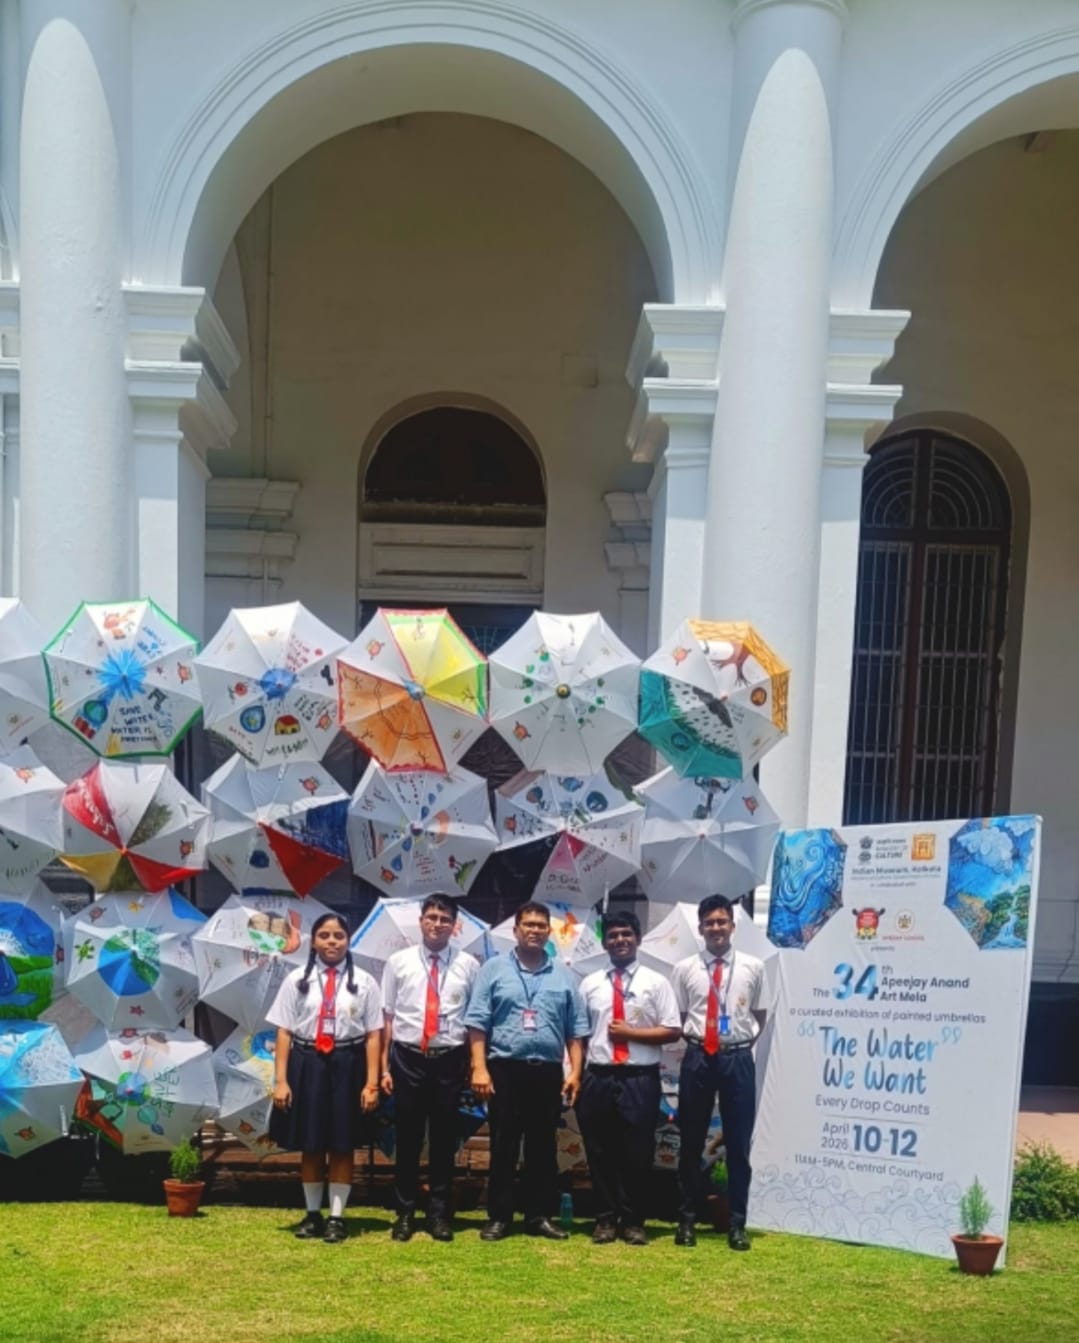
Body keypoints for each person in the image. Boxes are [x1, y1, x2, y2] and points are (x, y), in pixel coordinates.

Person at [464, 900, 589, 1241]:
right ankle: (499, 1217)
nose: (534, 930)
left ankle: (538, 1216)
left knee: (542, 1147)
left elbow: (576, 1029)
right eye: (528, 925)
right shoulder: (493, 969)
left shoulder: (563, 974)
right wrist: (479, 1068)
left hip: (547, 1072)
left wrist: (575, 1073)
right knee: (504, 1144)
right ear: (516, 930)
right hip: (504, 1068)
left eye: (540, 925)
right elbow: (477, 1022)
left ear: (549, 932)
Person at [268, 911, 382, 1244]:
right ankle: (312, 1214)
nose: (332, 942)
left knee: (343, 1144)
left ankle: (336, 1218)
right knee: (312, 1143)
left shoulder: (365, 981)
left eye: (338, 936)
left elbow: (374, 1034)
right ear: (313, 941)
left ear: (348, 941)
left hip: (349, 1063)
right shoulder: (295, 981)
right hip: (307, 1064)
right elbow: (284, 1031)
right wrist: (281, 1080)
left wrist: (371, 1083)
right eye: (324, 936)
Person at [576, 910, 681, 1245]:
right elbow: (579, 1034)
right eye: (613, 935)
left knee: (637, 1152)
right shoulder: (590, 983)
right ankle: (605, 1218)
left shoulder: (656, 982)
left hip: (640, 1077)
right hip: (599, 1076)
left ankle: (634, 1220)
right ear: (605, 942)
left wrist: (631, 1033)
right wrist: (575, 1076)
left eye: (626, 934)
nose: (620, 940)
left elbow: (672, 1031)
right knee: (599, 1150)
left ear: (637, 939)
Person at [380, 893, 480, 1243]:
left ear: (455, 926)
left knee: (443, 1140)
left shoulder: (468, 964)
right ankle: (404, 1213)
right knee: (407, 1138)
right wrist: (383, 1069)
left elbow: (474, 1019)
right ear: (421, 920)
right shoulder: (398, 962)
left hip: (449, 1058)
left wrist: (472, 1064)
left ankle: (439, 1213)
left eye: (445, 919)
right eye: (432, 917)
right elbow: (388, 1017)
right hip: (407, 1057)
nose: (438, 924)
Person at [670, 894, 766, 1251]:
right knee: (691, 1142)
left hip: (737, 1058)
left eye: (721, 922)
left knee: (739, 1144)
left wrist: (737, 1044)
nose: (716, 929)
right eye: (709, 923)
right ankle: (687, 1220)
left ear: (732, 926)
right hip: (698, 1057)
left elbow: (760, 1016)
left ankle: (738, 1224)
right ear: (700, 929)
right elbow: (680, 1017)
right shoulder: (685, 968)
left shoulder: (753, 967)